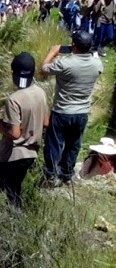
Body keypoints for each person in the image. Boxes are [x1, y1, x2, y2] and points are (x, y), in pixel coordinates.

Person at [40, 31, 103, 186]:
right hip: (81, 113)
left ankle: (50, 175)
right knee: (73, 145)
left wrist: (52, 52)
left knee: (54, 144)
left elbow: (43, 70)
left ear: (73, 45)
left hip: (62, 111)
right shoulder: (97, 64)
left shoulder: (65, 63)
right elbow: (95, 59)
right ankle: (66, 174)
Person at [0, 52, 49, 207]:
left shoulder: (14, 100)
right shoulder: (41, 92)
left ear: (13, 74)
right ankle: (16, 220)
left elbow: (14, 133)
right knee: (16, 190)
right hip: (31, 153)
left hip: (13, 154)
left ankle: (12, 223)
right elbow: (46, 122)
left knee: (7, 193)